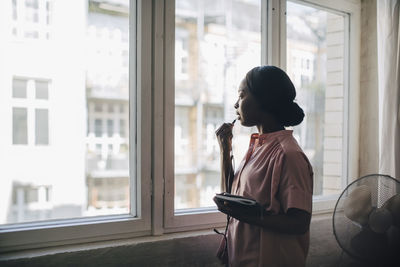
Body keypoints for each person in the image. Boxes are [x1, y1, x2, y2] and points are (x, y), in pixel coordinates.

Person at [215, 66, 314, 267]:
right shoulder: (259, 146)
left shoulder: (289, 155)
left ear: (264, 99)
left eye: (241, 96)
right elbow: (231, 195)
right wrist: (225, 150)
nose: (236, 104)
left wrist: (251, 216)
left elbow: (299, 222)